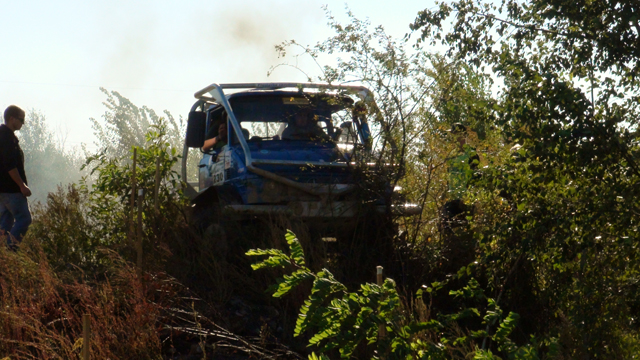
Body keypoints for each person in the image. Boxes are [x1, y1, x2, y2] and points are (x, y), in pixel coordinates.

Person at [0, 105, 32, 250]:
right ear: (11, 118)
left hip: (2, 190)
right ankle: (10, 251)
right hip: (12, 189)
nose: (22, 123)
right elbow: (10, 165)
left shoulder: (3, 135)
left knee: (5, 223)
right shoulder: (7, 138)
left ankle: (3, 259)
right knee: (24, 219)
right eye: (21, 119)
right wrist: (21, 185)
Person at [441, 123, 479, 232]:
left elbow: (475, 177)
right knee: (446, 227)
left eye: (455, 134)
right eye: (453, 134)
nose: (453, 137)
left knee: (466, 230)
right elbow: (449, 174)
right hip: (452, 197)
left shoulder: (471, 154)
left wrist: (470, 196)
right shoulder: (452, 154)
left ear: (462, 135)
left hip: (466, 199)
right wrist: (445, 193)